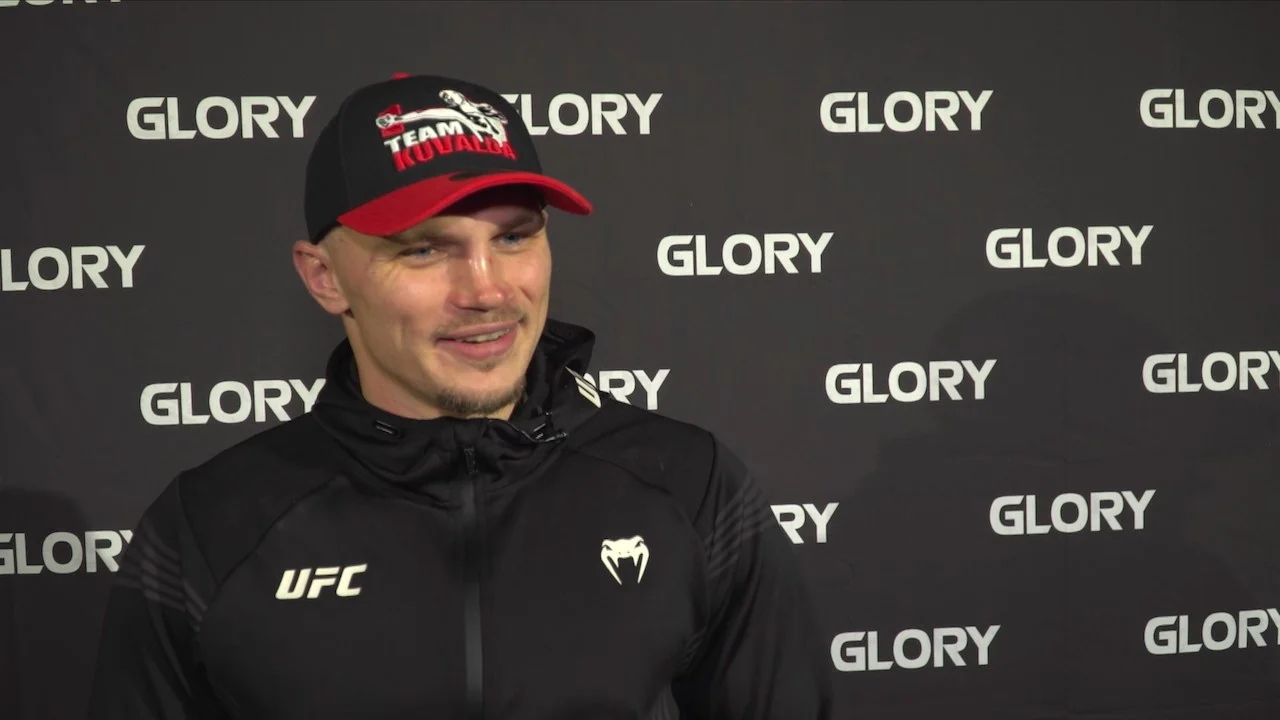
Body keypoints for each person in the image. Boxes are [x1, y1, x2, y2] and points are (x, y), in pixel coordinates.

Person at [87, 73, 833, 720]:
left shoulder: (689, 486)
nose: (487, 290)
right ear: (324, 277)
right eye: (424, 249)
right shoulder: (212, 525)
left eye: (514, 238)